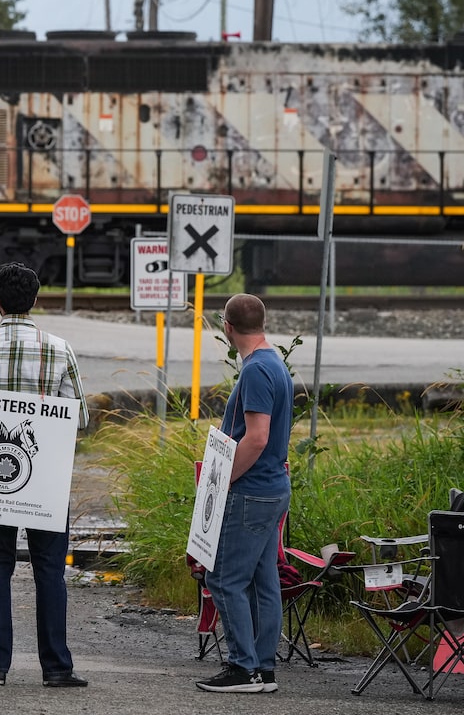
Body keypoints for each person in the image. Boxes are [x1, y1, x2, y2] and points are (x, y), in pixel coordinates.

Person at [0, 261, 90, 688]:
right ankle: (57, 667)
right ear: (35, 300)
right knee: (49, 568)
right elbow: (80, 417)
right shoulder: (60, 349)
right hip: (45, 475)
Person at [196, 293, 293, 693]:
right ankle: (263, 668)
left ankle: (242, 668)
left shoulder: (255, 371)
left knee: (223, 579)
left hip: (251, 489)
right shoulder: (276, 364)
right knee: (262, 581)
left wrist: (224, 481)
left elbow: (255, 438)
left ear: (227, 327)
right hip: (273, 488)